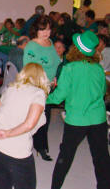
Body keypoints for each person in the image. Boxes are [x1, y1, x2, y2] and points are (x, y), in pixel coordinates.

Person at [47, 31, 110, 189]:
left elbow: (59, 96)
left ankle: (55, 187)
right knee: (101, 156)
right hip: (99, 119)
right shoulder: (98, 69)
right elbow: (102, 92)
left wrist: (44, 98)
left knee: (65, 156)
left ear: (75, 49)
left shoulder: (70, 68)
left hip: (77, 120)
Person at [0, 63, 49, 189]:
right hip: (16, 149)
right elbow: (29, 124)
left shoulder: (12, 88)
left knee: (1, 182)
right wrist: (7, 133)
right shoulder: (38, 94)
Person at [23, 15, 61, 161]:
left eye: (49, 29)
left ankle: (41, 146)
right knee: (35, 117)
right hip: (36, 87)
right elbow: (29, 68)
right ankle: (36, 146)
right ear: (36, 30)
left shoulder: (50, 42)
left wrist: (55, 77)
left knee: (45, 118)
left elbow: (55, 62)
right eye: (42, 30)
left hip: (49, 87)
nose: (46, 33)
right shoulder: (32, 46)